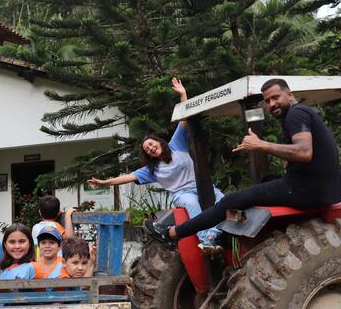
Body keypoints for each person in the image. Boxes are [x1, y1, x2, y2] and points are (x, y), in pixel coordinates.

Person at [145, 78, 341, 244]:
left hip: (307, 190)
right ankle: (226, 239)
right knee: (265, 181)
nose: (271, 104)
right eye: (267, 101)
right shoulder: (298, 114)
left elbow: (304, 152)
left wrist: (260, 144)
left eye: (275, 97)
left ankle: (173, 233)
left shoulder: (296, 114)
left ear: (289, 95)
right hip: (320, 187)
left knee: (230, 201)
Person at [88, 77, 224, 252]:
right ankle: (208, 239)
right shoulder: (151, 170)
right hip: (181, 194)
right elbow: (127, 178)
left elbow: (185, 117)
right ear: (147, 155)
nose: (150, 148)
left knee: (223, 201)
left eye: (152, 144)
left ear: (159, 142)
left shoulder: (177, 145)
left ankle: (223, 233)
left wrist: (183, 94)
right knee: (191, 204)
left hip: (201, 186)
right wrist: (104, 183)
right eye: (147, 149)